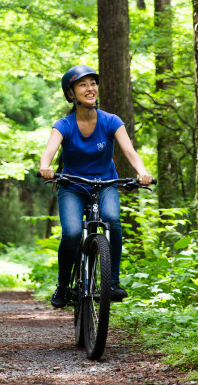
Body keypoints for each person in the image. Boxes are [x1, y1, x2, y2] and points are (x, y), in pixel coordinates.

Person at [38, 64, 153, 308]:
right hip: (72, 186)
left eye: (93, 83)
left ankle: (111, 283)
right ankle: (63, 286)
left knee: (111, 218)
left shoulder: (111, 121)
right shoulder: (64, 125)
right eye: (83, 84)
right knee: (71, 233)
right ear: (71, 94)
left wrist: (142, 172)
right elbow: (49, 150)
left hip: (105, 184)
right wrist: (45, 166)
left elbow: (129, 151)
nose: (91, 88)